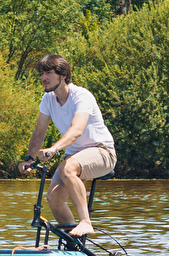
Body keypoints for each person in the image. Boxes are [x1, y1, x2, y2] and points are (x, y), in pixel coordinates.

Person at [26, 53, 116, 237]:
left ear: (63, 75)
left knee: (68, 168)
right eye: (42, 74)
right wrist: (29, 159)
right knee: (54, 199)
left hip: (102, 152)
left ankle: (85, 222)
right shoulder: (48, 99)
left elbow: (76, 130)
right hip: (74, 157)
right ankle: (75, 243)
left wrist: (53, 149)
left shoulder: (81, 96)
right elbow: (39, 133)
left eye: (48, 73)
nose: (43, 78)